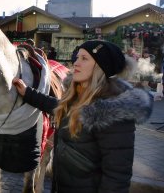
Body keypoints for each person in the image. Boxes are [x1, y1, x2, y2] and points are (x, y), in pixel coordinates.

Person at [13, 40, 153, 193]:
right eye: (77, 57)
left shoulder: (113, 112)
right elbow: (59, 107)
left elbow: (116, 176)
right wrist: (28, 93)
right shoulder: (80, 95)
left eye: (84, 58)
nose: (76, 63)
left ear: (101, 67)